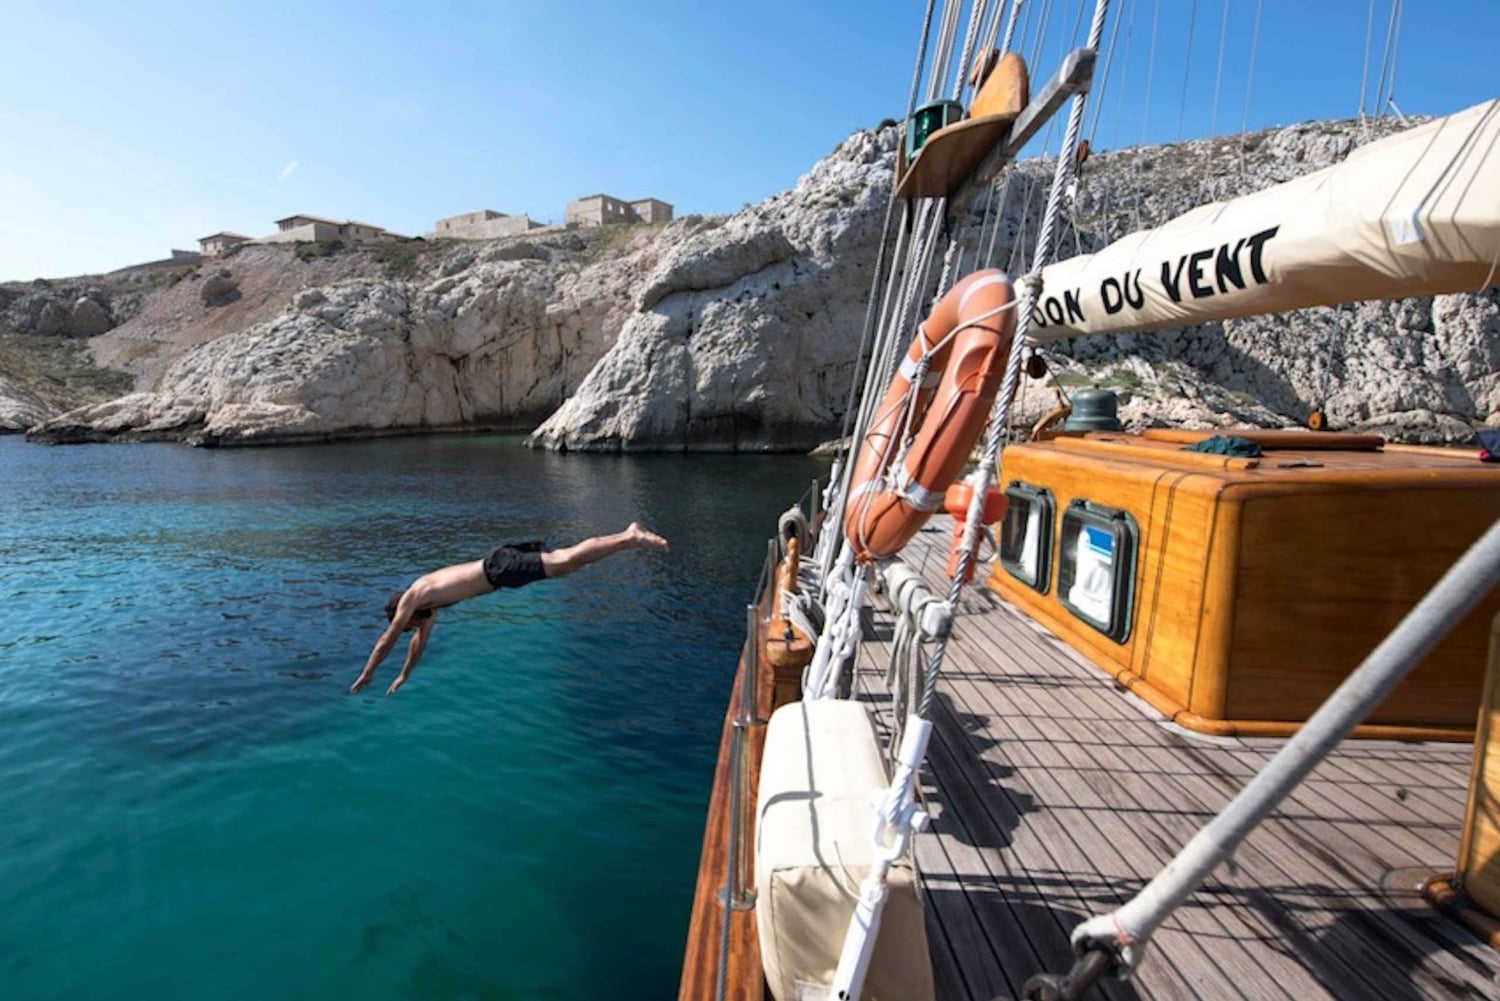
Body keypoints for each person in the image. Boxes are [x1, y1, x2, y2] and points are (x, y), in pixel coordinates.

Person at [350, 522, 669, 696]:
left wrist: (369, 672)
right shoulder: (427, 605)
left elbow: (388, 639)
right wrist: (404, 675)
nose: (412, 629)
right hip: (499, 569)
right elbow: (419, 642)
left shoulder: (414, 597)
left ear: (401, 614)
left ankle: (629, 536)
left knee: (565, 562)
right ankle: (626, 535)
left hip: (498, 569)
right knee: (566, 561)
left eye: (406, 625)